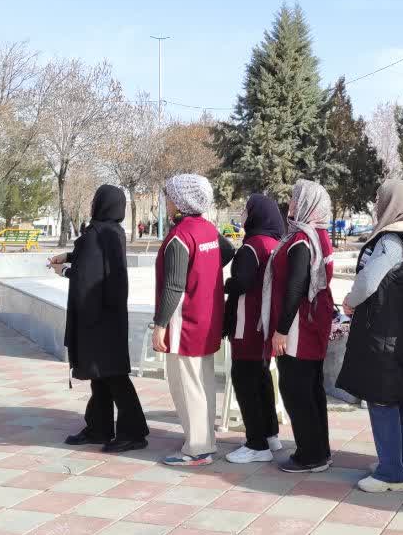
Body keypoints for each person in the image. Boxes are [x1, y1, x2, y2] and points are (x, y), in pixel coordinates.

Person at [337, 180, 403, 493]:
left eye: (380, 199)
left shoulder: (391, 240)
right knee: (397, 398)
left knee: (381, 398)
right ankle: (401, 462)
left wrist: (350, 300)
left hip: (383, 331)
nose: (376, 204)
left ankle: (389, 474)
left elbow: (369, 280)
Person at [51, 185, 149, 453]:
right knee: (102, 375)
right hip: (110, 316)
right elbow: (96, 260)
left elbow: (87, 277)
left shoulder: (95, 234)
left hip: (95, 318)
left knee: (113, 376)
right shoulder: (114, 232)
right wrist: (70, 256)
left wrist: (65, 270)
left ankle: (133, 432)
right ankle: (99, 427)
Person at [154, 174, 234, 466]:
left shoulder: (180, 236)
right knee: (203, 382)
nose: (166, 201)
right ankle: (204, 439)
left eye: (169, 196)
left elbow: (174, 286)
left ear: (180, 200)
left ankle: (198, 450)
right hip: (207, 317)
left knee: (187, 386)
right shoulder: (207, 229)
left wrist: (160, 325)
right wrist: (204, 270)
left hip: (185, 322)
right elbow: (228, 251)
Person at [261, 179, 336, 473]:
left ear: (308, 204)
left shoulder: (303, 240)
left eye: (296, 198)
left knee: (296, 389)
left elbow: (295, 287)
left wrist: (280, 330)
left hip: (298, 327)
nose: (290, 203)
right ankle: (319, 450)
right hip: (311, 323)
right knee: (311, 389)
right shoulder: (318, 234)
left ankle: (310, 455)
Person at [223, 194, 286, 464]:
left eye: (246, 211)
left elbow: (242, 282)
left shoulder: (251, 246)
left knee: (245, 382)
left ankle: (256, 444)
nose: (243, 215)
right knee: (262, 380)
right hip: (265, 324)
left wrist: (226, 284)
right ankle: (270, 435)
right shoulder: (274, 244)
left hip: (247, 324)